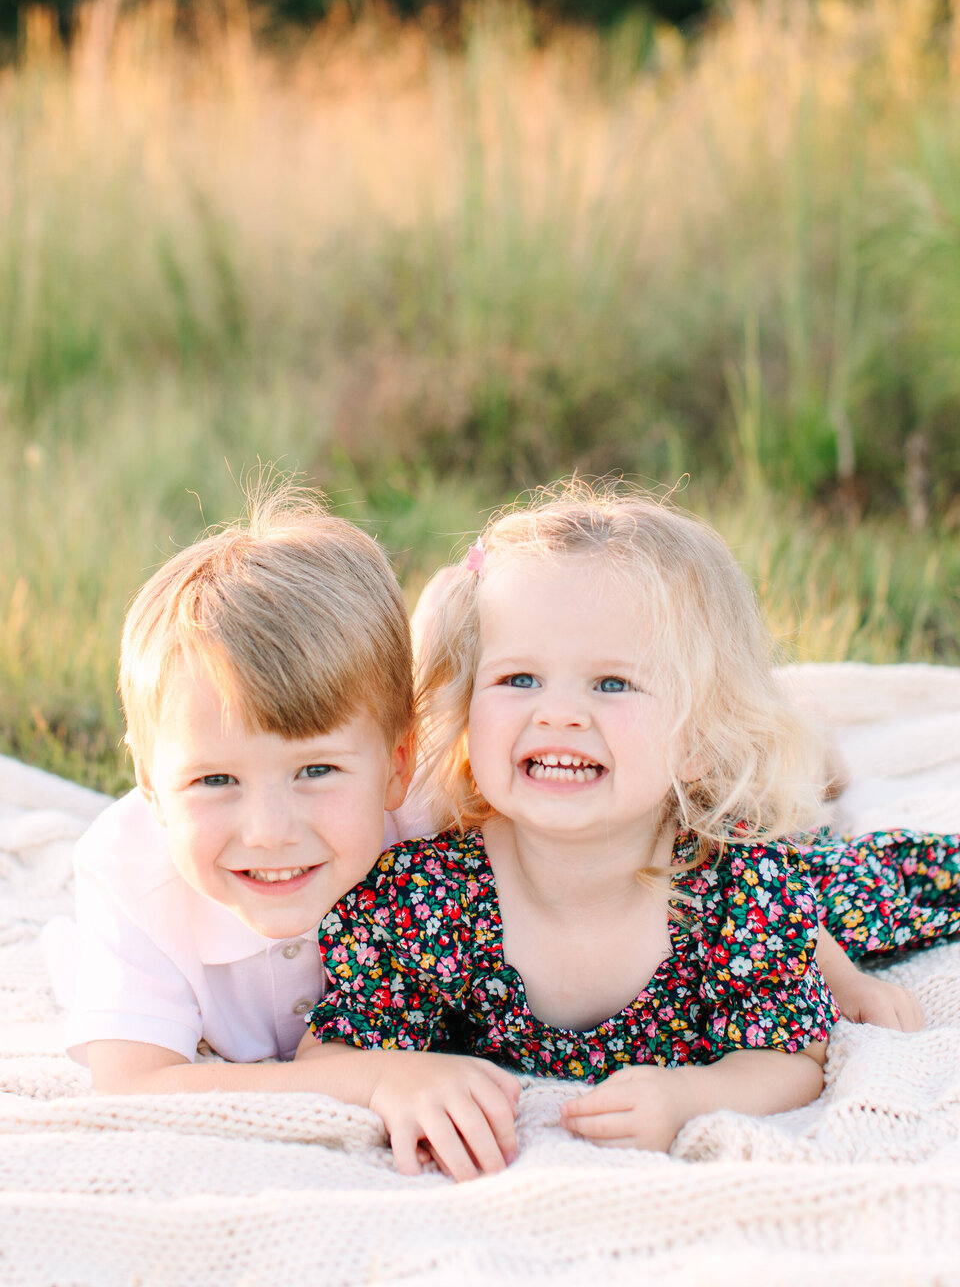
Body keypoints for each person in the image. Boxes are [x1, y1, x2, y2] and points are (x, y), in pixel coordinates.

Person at [307, 484, 946, 1156]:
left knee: (850, 872)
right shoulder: (425, 901)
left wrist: (688, 1098)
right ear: (467, 713)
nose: (557, 713)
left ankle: (812, 754)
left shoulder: (740, 890)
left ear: (698, 739)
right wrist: (392, 1077)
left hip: (743, 855)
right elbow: (329, 1052)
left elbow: (789, 1057)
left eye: (611, 684)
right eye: (519, 679)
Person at [60, 487, 521, 1176]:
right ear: (153, 789)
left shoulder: (431, 824)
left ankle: (431, 640)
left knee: (439, 706)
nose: (270, 832)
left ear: (393, 768)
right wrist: (372, 1078)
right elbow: (136, 1086)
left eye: (315, 769)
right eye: (215, 781)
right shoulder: (127, 871)